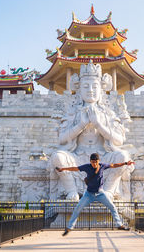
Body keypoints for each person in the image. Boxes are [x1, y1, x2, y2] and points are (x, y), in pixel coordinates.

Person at [50, 61, 134, 201]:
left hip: (103, 158)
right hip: (77, 158)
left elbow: (119, 140)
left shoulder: (108, 113)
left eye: (94, 86)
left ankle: (108, 191)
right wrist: (81, 125)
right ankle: (71, 192)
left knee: (123, 157)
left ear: (101, 89)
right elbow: (62, 139)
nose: (90, 90)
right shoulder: (73, 112)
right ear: (79, 90)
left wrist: (99, 124)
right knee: (58, 157)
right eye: (85, 86)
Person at [56, 152, 134, 236]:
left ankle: (120, 225)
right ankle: (69, 227)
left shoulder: (102, 166)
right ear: (90, 161)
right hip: (88, 194)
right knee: (77, 209)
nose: (94, 164)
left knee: (112, 207)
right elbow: (75, 168)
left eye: (96, 162)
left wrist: (126, 163)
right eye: (93, 162)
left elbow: (114, 165)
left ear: (98, 161)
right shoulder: (87, 167)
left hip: (100, 193)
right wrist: (63, 169)